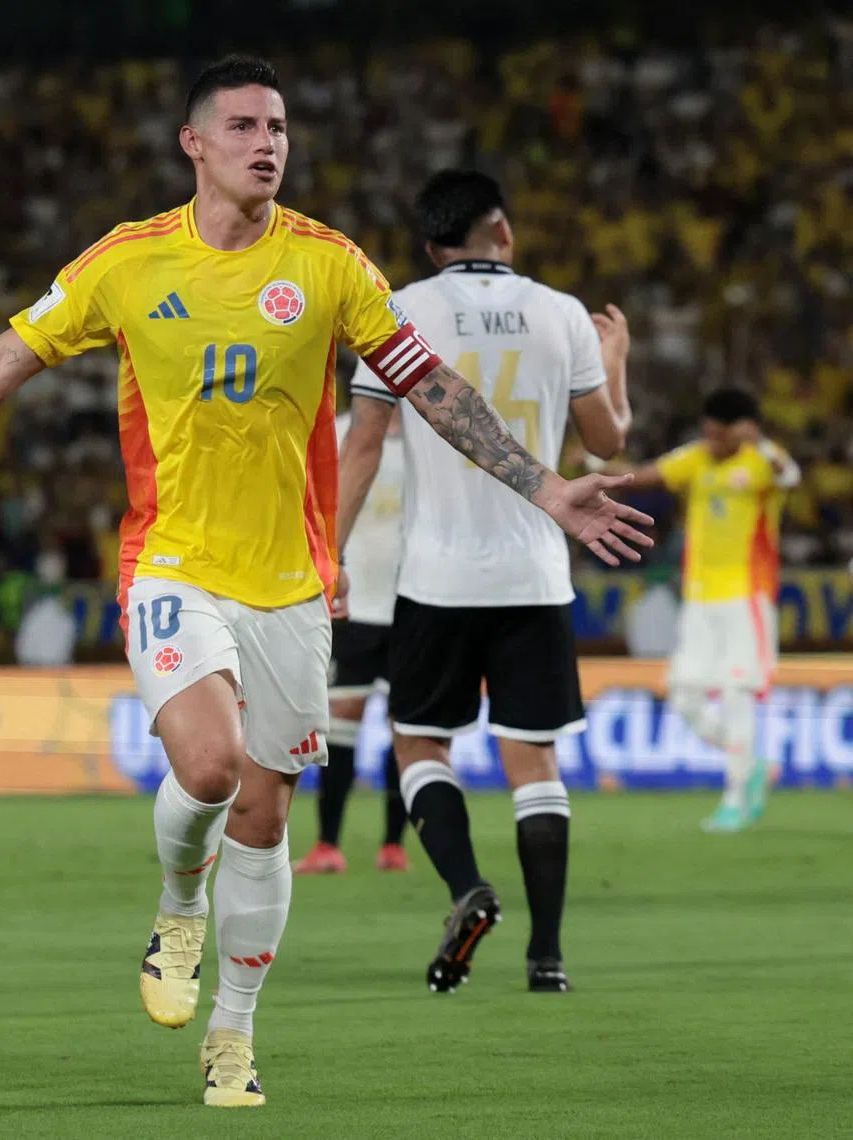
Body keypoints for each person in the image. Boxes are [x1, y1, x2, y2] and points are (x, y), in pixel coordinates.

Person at [0, 59, 653, 1108]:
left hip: (290, 585)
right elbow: (0, 366)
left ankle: (231, 1037)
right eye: (241, 125)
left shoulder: (331, 265)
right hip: (175, 563)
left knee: (269, 820)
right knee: (206, 766)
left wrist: (548, 485)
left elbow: (434, 388)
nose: (266, 142)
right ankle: (179, 903)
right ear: (195, 144)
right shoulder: (129, 261)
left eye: (277, 125)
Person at [340, 169, 633, 996]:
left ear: (433, 247)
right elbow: (607, 442)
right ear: (502, 229)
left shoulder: (401, 307)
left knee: (419, 742)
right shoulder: (564, 313)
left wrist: (326, 550)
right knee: (532, 760)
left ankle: (467, 886)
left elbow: (364, 444)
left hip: (435, 572)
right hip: (536, 569)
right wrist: (616, 363)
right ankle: (548, 957)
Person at [619, 388, 799, 833]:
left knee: (737, 695)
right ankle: (753, 762)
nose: (710, 440)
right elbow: (648, 476)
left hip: (746, 596)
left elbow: (791, 475)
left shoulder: (762, 461)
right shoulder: (697, 458)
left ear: (743, 429)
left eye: (719, 433)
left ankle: (737, 798)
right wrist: (601, 473)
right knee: (684, 698)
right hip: (698, 601)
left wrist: (758, 442)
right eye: (708, 432)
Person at [294, 406, 408, 875]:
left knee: (410, 730)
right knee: (341, 722)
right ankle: (328, 844)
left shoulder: (434, 438)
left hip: (415, 605)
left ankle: (394, 846)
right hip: (353, 604)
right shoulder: (338, 434)